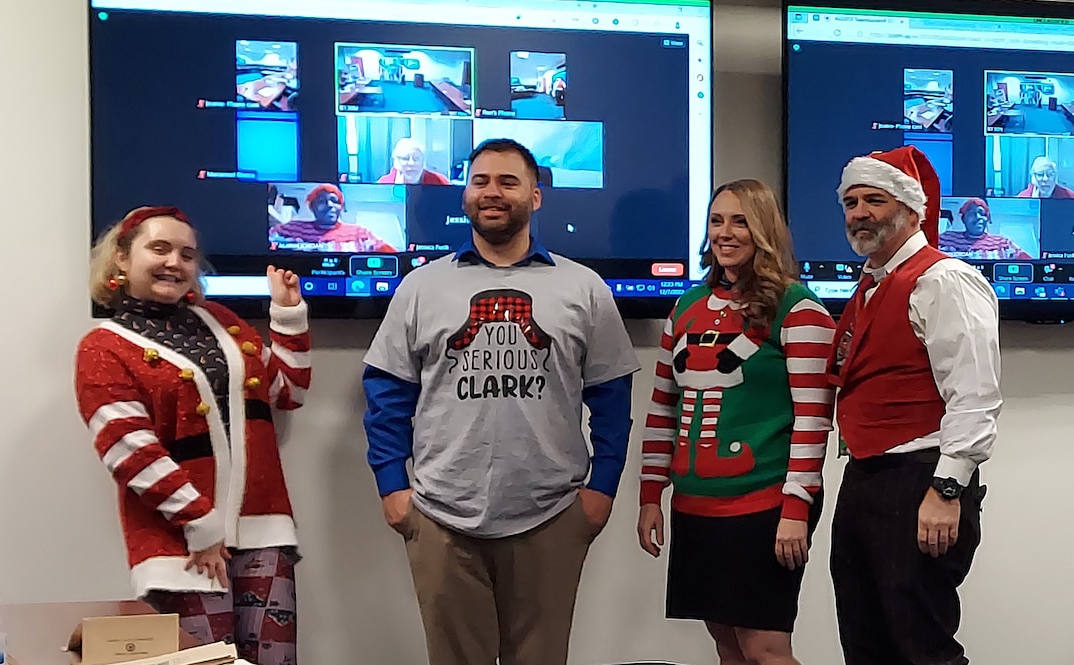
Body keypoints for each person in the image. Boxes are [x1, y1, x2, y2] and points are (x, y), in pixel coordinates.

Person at [361, 138, 640, 665]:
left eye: (508, 182)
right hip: (441, 516)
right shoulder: (422, 286)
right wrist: (392, 488)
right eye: (481, 181)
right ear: (465, 194)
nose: (492, 193)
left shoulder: (583, 287)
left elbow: (611, 397)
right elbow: (386, 392)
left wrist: (601, 490)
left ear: (535, 197)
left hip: (552, 514)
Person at [74, 206, 311, 665]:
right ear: (122, 258)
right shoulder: (102, 347)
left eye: (187, 254)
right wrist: (200, 525)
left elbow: (289, 392)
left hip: (264, 528)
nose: (175, 263)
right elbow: (128, 448)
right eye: (159, 249)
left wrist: (287, 315)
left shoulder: (221, 320)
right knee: (204, 662)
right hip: (180, 544)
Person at [637, 179, 836, 665]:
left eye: (740, 221)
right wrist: (650, 497)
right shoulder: (685, 308)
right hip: (695, 506)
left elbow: (814, 420)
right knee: (726, 644)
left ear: (764, 230)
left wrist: (796, 508)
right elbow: (663, 406)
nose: (725, 233)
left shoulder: (800, 310)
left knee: (765, 648)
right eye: (716, 220)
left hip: (764, 505)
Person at [829, 146, 1001, 665]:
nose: (858, 213)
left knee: (920, 647)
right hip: (866, 476)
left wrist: (946, 488)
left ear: (910, 209)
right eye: (850, 201)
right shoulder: (872, 286)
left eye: (873, 200)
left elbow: (974, 394)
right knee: (866, 643)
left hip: (919, 478)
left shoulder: (943, 280)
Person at [268, 183, 399, 251]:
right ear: (312, 207)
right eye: (321, 201)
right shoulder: (292, 229)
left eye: (335, 201)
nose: (329, 205)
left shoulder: (359, 233)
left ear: (341, 207)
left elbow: (389, 254)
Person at [937, 197, 1031, 260]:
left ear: (987, 219)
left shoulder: (1003, 243)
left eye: (982, 213)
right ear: (963, 218)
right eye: (971, 213)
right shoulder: (945, 238)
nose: (978, 217)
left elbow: (1029, 263)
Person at [377, 137, 452, 185]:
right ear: (396, 162)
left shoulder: (440, 181)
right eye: (405, 158)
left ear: (423, 162)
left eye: (416, 158)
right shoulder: (384, 184)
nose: (411, 163)